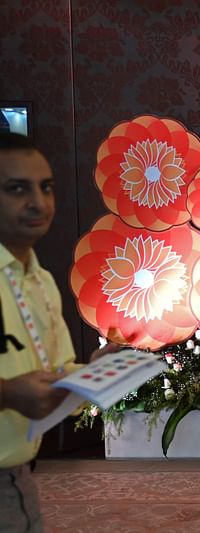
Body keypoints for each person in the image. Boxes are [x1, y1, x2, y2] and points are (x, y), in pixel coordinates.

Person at [0, 132, 112, 532]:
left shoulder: (40, 280)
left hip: (17, 477)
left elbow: (56, 371)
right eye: (17, 189)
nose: (38, 202)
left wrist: (96, 373)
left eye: (45, 187)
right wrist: (8, 393)